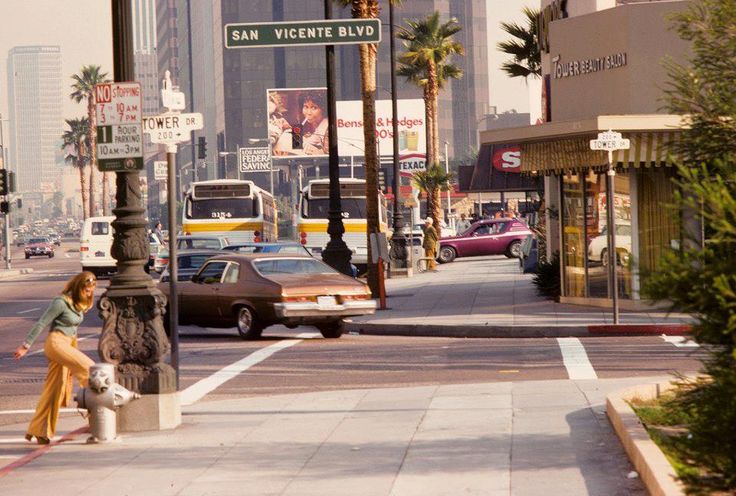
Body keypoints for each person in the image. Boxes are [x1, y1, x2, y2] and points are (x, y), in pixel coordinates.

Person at [13, 272, 97, 444]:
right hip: (56, 343)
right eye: (86, 290)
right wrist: (25, 346)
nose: (89, 293)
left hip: (67, 344)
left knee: (54, 390)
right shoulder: (61, 302)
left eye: (91, 290)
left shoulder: (77, 303)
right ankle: (96, 415)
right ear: (78, 287)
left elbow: (73, 329)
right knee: (90, 369)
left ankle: (40, 431)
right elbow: (41, 322)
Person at [299, 91, 328, 155]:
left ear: (324, 109)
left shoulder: (327, 127)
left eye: (314, 108)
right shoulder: (319, 126)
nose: (308, 113)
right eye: (306, 107)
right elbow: (298, 144)